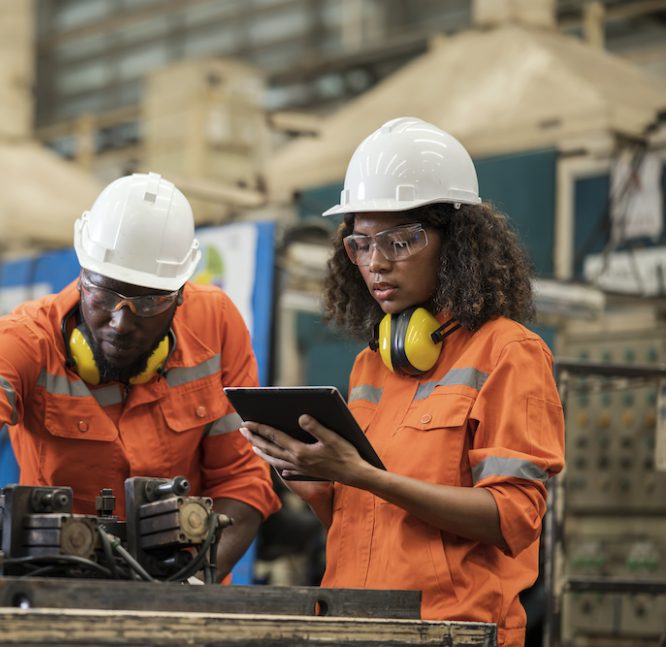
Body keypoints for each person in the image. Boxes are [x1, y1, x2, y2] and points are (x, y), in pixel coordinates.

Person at [240, 117, 564, 646]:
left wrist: (368, 477)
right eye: (361, 245)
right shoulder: (372, 366)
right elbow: (359, 519)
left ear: (456, 240)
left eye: (400, 241)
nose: (376, 265)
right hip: (352, 625)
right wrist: (308, 475)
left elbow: (513, 518)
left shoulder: (510, 353)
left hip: (450, 633)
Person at [0, 172, 280, 579]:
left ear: (180, 295)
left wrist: (194, 580)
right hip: (56, 585)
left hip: (183, 589)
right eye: (105, 294)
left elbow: (241, 482)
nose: (120, 321)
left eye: (147, 304)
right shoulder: (30, 337)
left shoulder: (216, 326)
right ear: (82, 276)